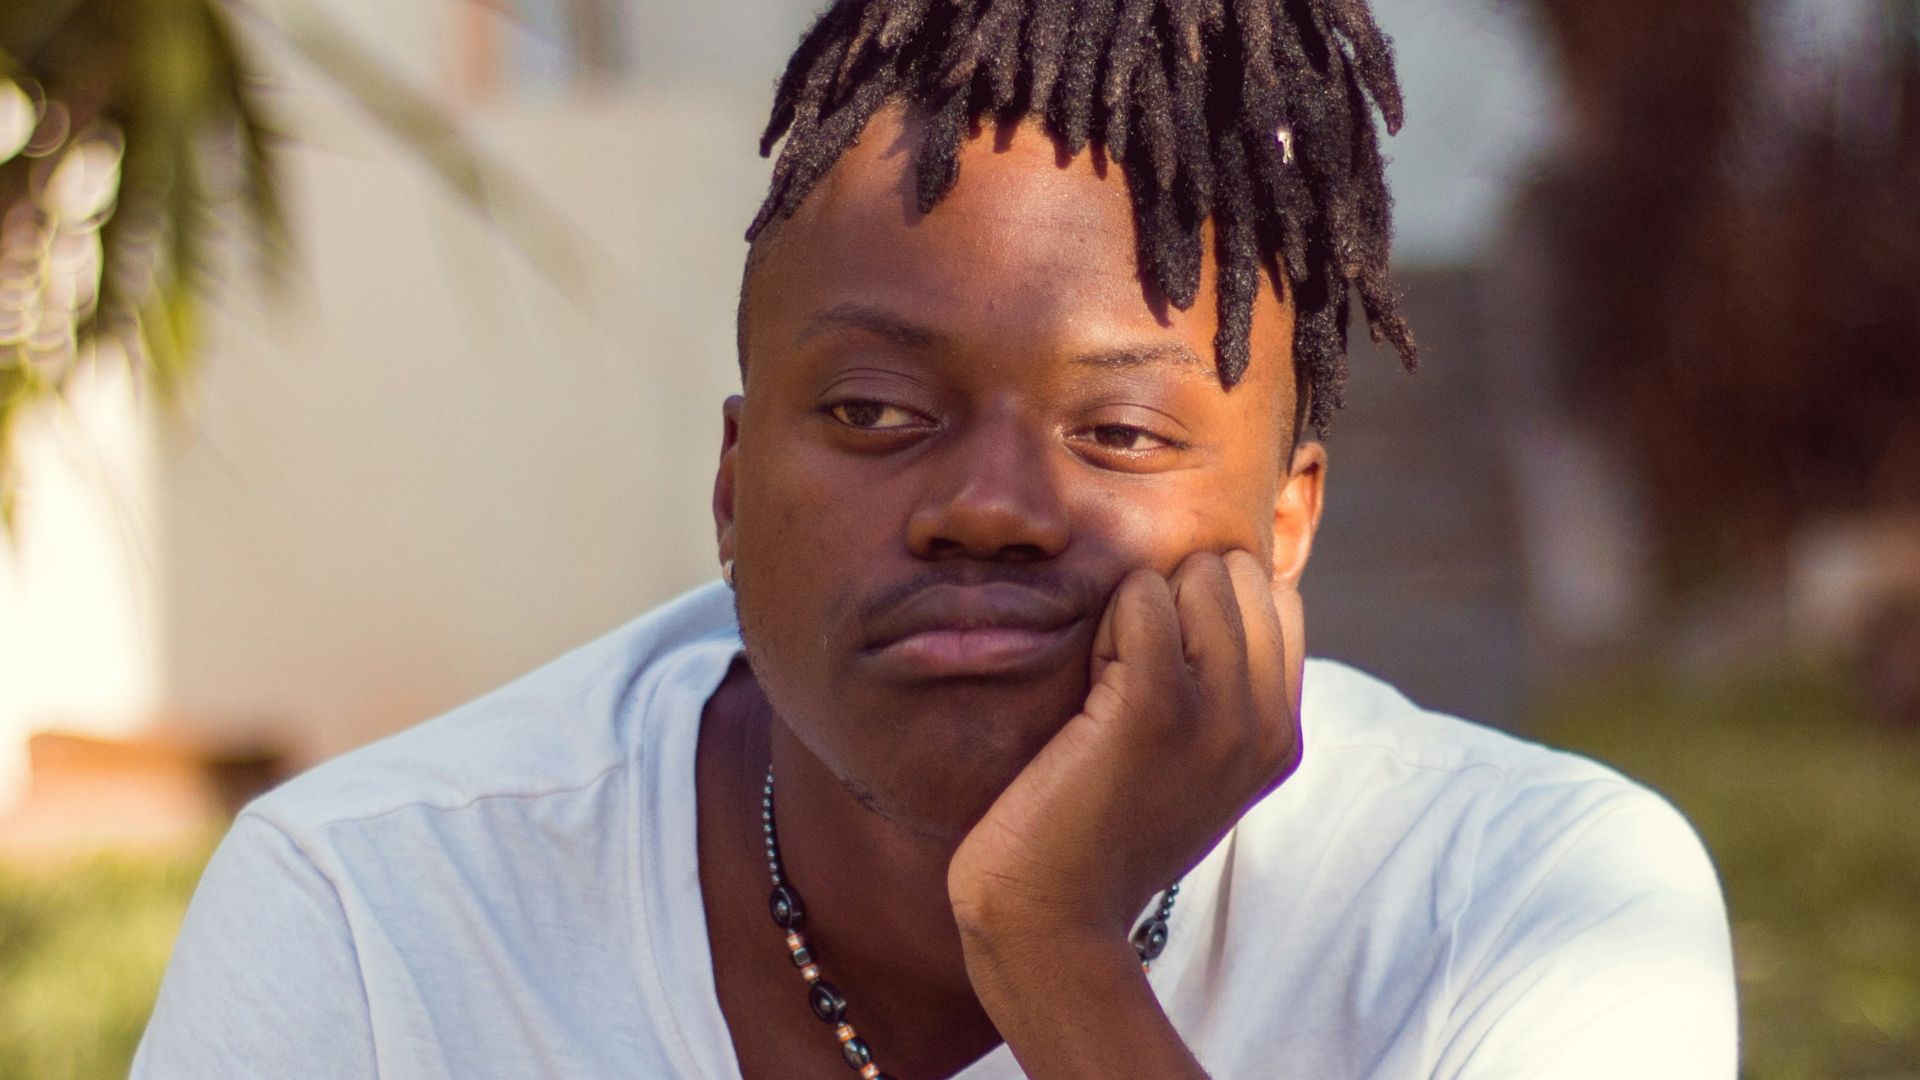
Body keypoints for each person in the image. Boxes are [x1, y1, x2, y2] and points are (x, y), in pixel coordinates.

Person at [134, 0, 1738, 1076]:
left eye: (1119, 431)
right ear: (733, 484)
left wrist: (1055, 952)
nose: (985, 506)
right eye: (877, 415)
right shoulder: (371, 920)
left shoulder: (1532, 907)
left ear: (1289, 517)